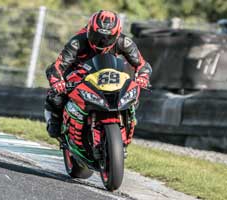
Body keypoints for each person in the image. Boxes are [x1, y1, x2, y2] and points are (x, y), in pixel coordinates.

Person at [44, 10, 152, 148]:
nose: (102, 41)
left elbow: (142, 64)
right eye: (97, 36)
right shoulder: (77, 42)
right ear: (89, 29)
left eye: (107, 37)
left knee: (132, 94)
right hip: (78, 73)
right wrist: (58, 81)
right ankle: (56, 123)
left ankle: (126, 122)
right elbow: (58, 65)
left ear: (117, 34)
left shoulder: (124, 42)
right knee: (56, 96)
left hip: (108, 74)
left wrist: (143, 77)